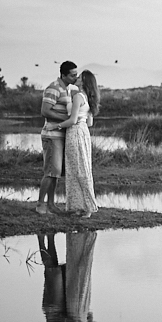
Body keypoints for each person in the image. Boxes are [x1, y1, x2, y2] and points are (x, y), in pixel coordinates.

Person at [46, 70, 99, 217]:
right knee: (81, 167)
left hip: (74, 131)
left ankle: (86, 207)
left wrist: (55, 126)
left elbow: (72, 120)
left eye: (79, 77)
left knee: (76, 169)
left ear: (83, 81)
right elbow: (90, 122)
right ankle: (80, 207)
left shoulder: (77, 97)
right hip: (83, 132)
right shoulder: (88, 98)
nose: (77, 78)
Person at [36, 61, 78, 214]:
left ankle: (51, 204)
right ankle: (40, 204)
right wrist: (66, 119)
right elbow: (45, 111)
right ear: (64, 75)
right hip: (52, 135)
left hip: (60, 135)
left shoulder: (66, 89)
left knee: (56, 172)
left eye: (76, 74)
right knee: (51, 171)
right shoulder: (53, 88)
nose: (76, 77)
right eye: (73, 75)